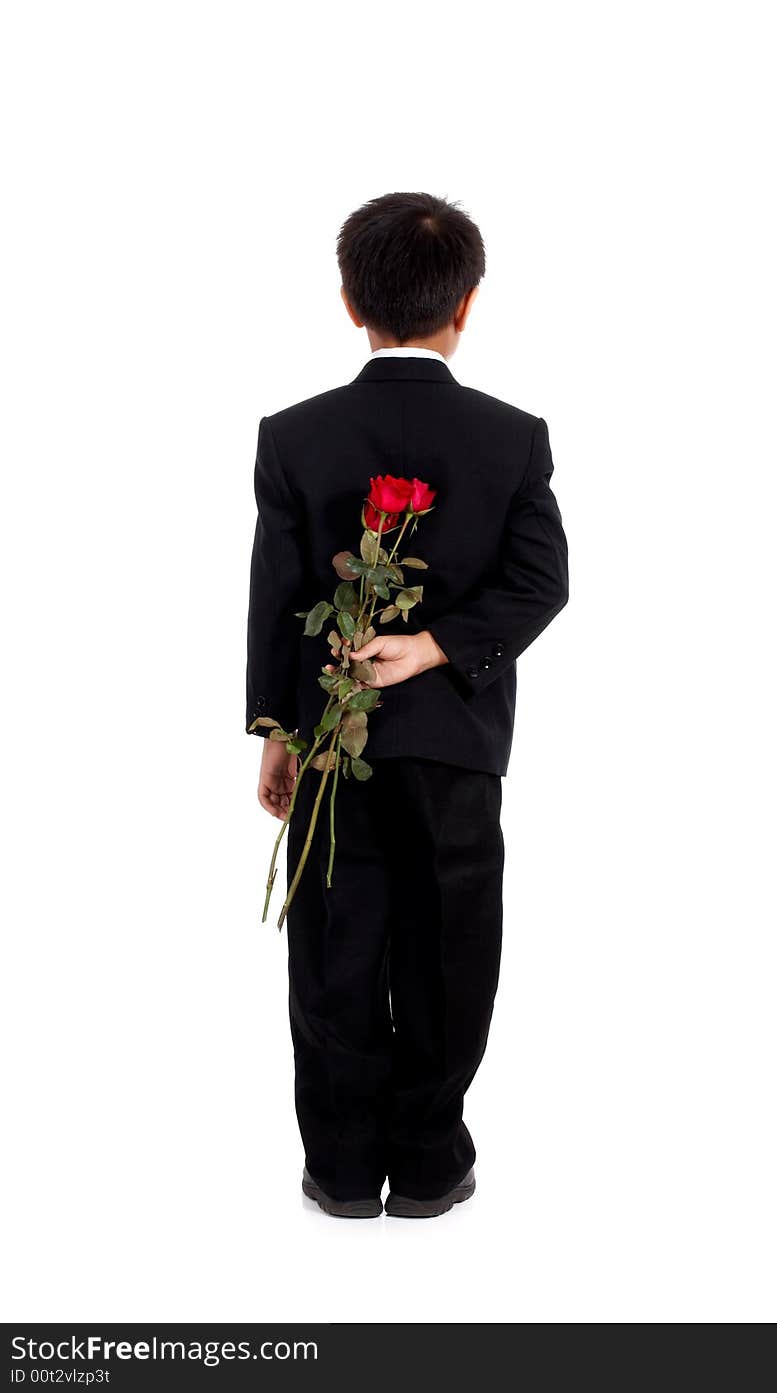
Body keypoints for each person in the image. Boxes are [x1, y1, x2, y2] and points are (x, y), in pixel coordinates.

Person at [246, 192, 569, 1218]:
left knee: (335, 948)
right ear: (465, 305)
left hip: (332, 751)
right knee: (449, 948)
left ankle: (340, 1168)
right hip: (456, 747)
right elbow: (538, 583)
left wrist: (274, 729)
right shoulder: (512, 438)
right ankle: (429, 1161)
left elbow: (278, 595)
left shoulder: (296, 435)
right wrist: (436, 647)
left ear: (349, 302)